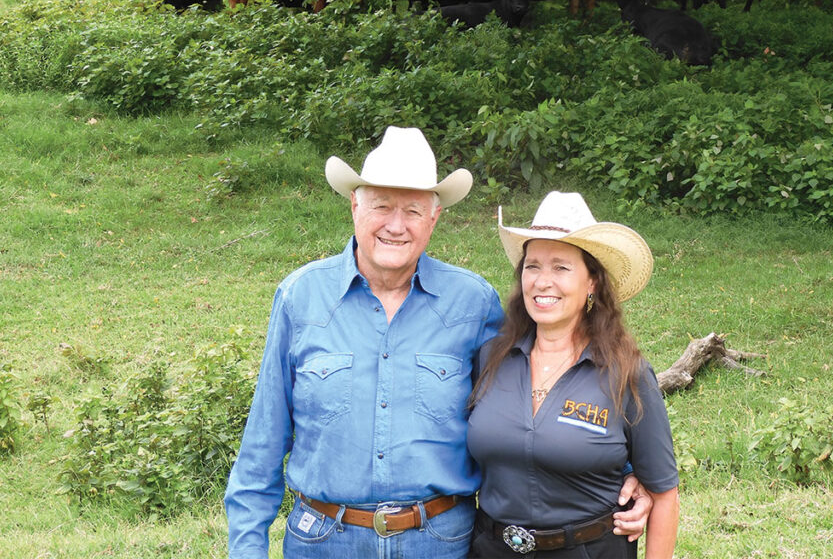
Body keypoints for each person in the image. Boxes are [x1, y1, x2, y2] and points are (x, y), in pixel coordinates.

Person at [224, 128, 652, 558]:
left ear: (435, 218)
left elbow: (543, 388)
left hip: (439, 540)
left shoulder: (472, 302)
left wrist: (627, 475)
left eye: (412, 210)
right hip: (322, 540)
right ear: (355, 205)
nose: (396, 225)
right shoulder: (301, 297)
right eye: (382, 206)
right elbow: (263, 442)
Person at [467, 191, 680, 558]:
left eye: (561, 267)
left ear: (592, 281)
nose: (542, 281)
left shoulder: (625, 372)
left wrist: (637, 481)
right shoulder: (491, 358)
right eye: (532, 266)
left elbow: (664, 494)